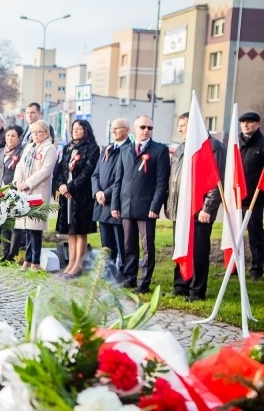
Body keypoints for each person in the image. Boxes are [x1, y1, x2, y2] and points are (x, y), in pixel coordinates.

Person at [165, 112, 225, 300]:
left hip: (199, 211)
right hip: (181, 210)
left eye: (182, 125)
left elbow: (217, 180)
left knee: (198, 251)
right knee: (181, 248)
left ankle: (197, 290)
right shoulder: (183, 147)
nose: (179, 129)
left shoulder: (212, 147)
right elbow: (174, 179)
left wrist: (208, 208)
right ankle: (180, 286)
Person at [111, 115, 170, 293]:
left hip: (146, 208)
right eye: (143, 127)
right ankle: (129, 278)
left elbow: (162, 182)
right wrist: (115, 205)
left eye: (149, 128)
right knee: (129, 246)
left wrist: (155, 206)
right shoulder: (125, 150)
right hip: (127, 206)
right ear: (134, 129)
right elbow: (118, 180)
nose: (146, 131)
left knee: (147, 248)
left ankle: (144, 283)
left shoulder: (159, 150)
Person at [53, 120, 100, 278]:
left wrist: (70, 187)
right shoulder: (68, 148)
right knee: (70, 230)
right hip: (66, 195)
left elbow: (88, 172)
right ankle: (71, 263)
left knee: (80, 230)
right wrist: (61, 186)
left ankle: (78, 264)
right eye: (74, 128)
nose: (76, 130)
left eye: (79, 128)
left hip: (81, 195)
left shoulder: (92, 148)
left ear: (86, 130)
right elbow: (60, 169)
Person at [13, 120, 57, 270]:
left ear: (46, 133)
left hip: (38, 191)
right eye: (33, 132)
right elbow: (20, 165)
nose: (36, 135)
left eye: (39, 132)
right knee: (26, 227)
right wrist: (18, 181)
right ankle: (27, 259)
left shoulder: (49, 148)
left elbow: (45, 171)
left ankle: (35, 261)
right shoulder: (29, 147)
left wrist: (28, 183)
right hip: (24, 191)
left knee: (35, 228)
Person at [92, 118, 132, 277]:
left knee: (121, 243)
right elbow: (95, 174)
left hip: (117, 203)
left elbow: (122, 178)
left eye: (117, 128)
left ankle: (123, 274)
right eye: (112, 128)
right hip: (102, 204)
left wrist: (106, 194)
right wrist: (97, 192)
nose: (113, 131)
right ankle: (107, 273)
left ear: (127, 130)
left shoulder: (129, 150)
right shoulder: (107, 149)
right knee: (106, 243)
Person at [239, 111, 264, 281]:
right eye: (243, 122)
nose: (246, 125)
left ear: (257, 124)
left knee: (255, 235)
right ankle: (234, 266)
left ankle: (256, 269)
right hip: (237, 197)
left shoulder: (261, 145)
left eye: (249, 122)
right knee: (234, 235)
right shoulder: (237, 143)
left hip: (255, 199)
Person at [0, 125, 24, 262]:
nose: (10, 138)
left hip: (14, 192)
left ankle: (12, 254)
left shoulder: (21, 152)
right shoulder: (0, 151)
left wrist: (11, 187)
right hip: (0, 192)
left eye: (13, 136)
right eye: (7, 135)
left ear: (19, 138)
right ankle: (5, 253)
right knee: (4, 223)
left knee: (14, 224)